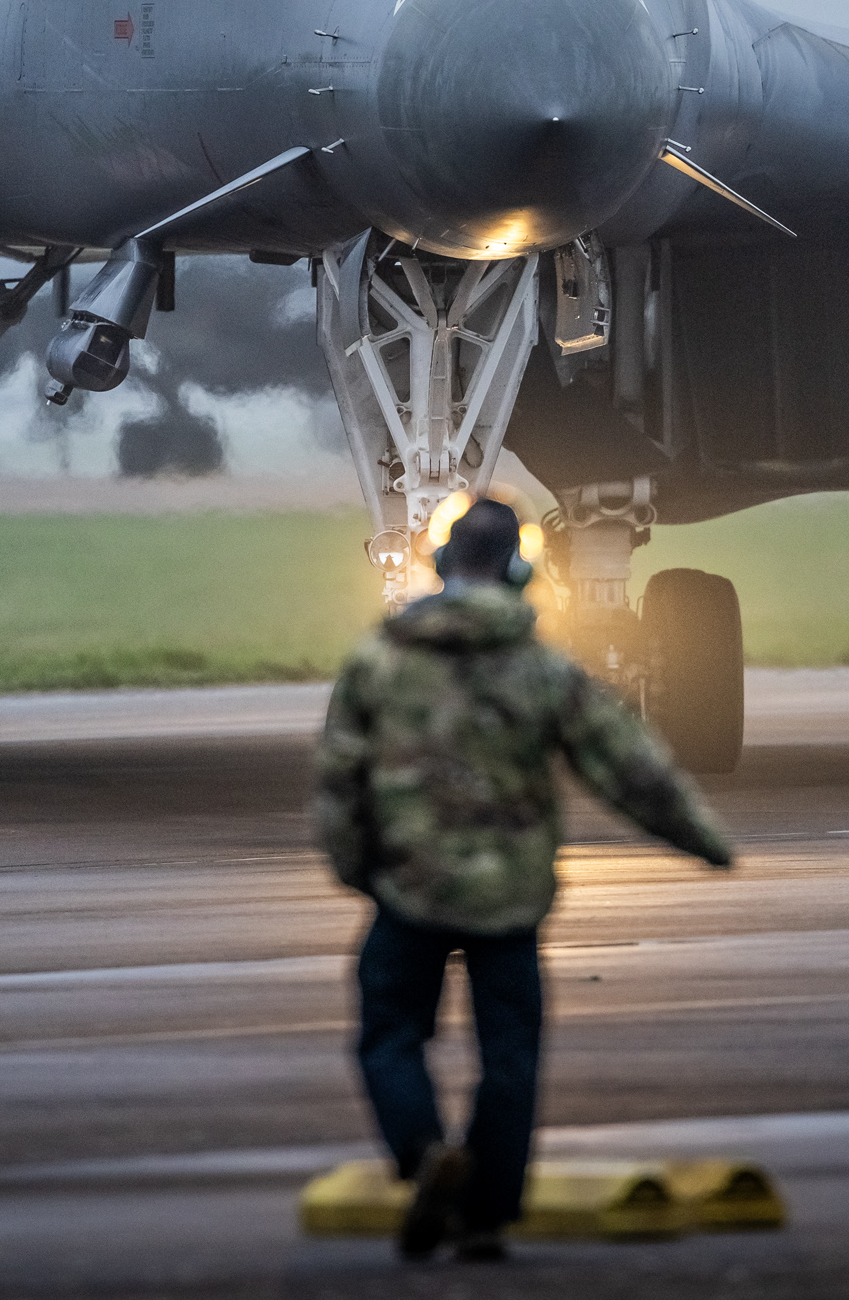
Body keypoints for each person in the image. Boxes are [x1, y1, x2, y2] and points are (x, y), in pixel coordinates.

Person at [311, 499, 735, 1262]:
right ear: (520, 570)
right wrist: (702, 841)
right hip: (509, 898)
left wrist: (356, 869)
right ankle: (485, 1215)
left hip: (409, 890)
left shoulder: (379, 660)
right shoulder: (542, 669)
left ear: (440, 565)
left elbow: (339, 775)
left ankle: (422, 1153)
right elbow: (626, 765)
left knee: (388, 1035)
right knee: (510, 1056)